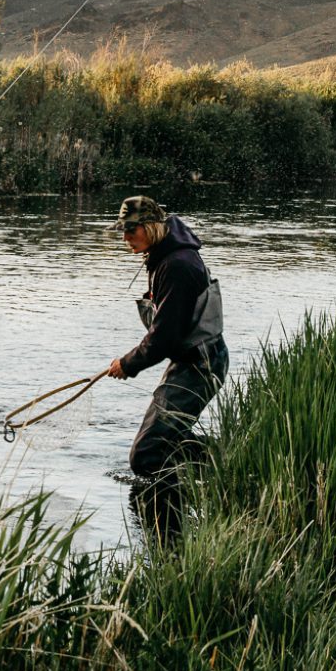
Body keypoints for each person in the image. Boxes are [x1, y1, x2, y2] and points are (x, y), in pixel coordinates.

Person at [105, 195, 228, 544]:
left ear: (152, 228)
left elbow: (163, 339)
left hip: (199, 365)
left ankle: (173, 539)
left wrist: (126, 365)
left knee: (147, 456)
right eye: (123, 230)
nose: (125, 237)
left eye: (131, 230)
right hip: (192, 360)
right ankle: (224, 460)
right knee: (154, 451)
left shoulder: (176, 266)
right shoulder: (165, 256)